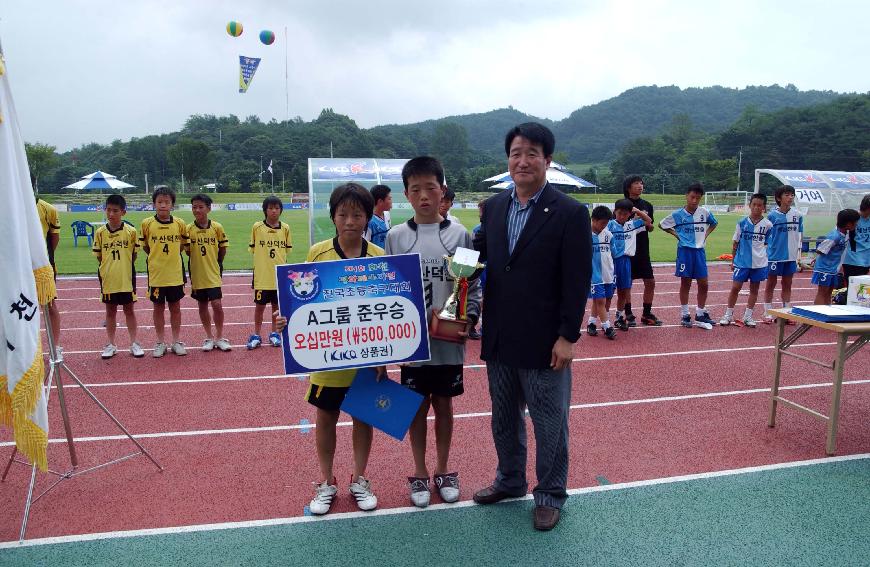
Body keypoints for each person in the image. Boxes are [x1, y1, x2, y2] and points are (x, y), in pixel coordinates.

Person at [472, 122, 591, 531]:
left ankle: (551, 494)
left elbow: (577, 282)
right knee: (503, 417)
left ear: (547, 160)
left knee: (549, 421)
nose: (522, 161)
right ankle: (510, 480)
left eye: (532, 153)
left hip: (545, 342)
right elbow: (480, 257)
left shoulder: (571, 213)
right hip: (501, 336)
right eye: (516, 153)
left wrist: (567, 337)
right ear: (508, 160)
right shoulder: (496, 207)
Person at [385, 157, 481, 508]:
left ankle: (443, 469)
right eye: (415, 189)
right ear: (406, 195)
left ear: (442, 190)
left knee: (444, 405)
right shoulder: (397, 237)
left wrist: (469, 316)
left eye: (430, 188)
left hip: (448, 340)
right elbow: (389, 290)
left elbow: (469, 284)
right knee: (415, 407)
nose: (424, 195)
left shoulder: (460, 234)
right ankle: (420, 472)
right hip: (412, 344)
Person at [303, 183, 385, 515]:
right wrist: (287, 323)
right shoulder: (318, 253)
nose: (350, 221)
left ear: (368, 218)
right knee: (326, 417)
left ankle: (360, 478)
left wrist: (385, 356)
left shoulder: (379, 256)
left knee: (364, 417)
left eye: (357, 214)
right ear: (333, 216)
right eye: (343, 214)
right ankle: (326, 481)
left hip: (366, 360)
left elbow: (385, 307)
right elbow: (303, 303)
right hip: (328, 358)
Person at [659, 182, 718, 330]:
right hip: (685, 252)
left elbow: (714, 223)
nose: (694, 201)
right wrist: (677, 235)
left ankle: (700, 313)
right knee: (686, 283)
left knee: (703, 283)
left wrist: (705, 235)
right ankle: (685, 314)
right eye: (692, 197)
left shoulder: (704, 212)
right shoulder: (678, 214)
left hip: (699, 252)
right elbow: (662, 225)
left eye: (697, 198)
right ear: (686, 196)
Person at [93, 194, 144, 359]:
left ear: (123, 212)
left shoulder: (131, 232)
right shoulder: (100, 233)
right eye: (108, 210)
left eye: (115, 211)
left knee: (129, 310)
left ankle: (134, 343)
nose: (111, 214)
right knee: (110, 311)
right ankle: (111, 344)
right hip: (108, 277)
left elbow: (134, 255)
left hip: (126, 277)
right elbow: (100, 256)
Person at [140, 186, 188, 357]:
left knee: (175, 308)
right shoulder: (147, 224)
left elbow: (182, 245)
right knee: (158, 308)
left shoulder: (180, 224)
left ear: (172, 205)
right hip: (156, 274)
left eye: (167, 202)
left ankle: (176, 341)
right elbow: (146, 246)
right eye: (159, 202)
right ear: (154, 204)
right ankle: (160, 342)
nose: (163, 205)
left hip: (175, 273)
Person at [719, 193, 773, 328]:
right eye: (754, 204)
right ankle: (728, 314)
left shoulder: (768, 225)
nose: (756, 207)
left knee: (754, 289)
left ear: (764, 208)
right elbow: (735, 242)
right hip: (742, 262)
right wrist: (733, 260)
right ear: (749, 205)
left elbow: (767, 245)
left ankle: (748, 316)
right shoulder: (742, 223)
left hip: (759, 263)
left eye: (759, 205)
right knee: (735, 288)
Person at [186, 194, 231, 352]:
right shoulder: (188, 229)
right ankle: (209, 337)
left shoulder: (217, 227)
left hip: (213, 271)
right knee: (202, 304)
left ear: (208, 208)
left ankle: (219, 337)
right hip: (197, 273)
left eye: (200, 207)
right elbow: (187, 251)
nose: (197, 210)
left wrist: (216, 263)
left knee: (217, 304)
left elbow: (223, 249)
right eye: (194, 207)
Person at [247, 196, 292, 350]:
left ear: (281, 210)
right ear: (265, 210)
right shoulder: (257, 227)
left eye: (277, 208)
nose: (274, 211)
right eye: (270, 208)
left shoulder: (285, 228)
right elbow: (253, 249)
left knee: (276, 307)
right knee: (259, 307)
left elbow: (286, 250)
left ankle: (274, 334)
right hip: (261, 275)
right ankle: (256, 334)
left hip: (279, 276)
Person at [621, 176, 662, 326]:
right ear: (628, 187)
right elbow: (618, 225)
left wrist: (648, 226)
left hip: (643, 249)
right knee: (627, 283)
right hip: (626, 250)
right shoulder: (622, 205)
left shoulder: (647, 205)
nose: (640, 186)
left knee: (650, 282)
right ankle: (628, 313)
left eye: (641, 183)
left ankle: (646, 313)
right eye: (636, 183)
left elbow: (650, 226)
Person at [607, 199, 652, 331]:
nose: (622, 216)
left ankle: (619, 317)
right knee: (609, 293)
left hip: (626, 262)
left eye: (625, 214)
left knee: (623, 291)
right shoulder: (609, 225)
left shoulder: (631, 225)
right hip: (612, 262)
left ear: (629, 214)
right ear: (615, 212)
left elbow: (648, 221)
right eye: (619, 213)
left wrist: (637, 210)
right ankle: (605, 320)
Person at [763, 185, 803, 323]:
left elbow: (800, 234)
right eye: (787, 195)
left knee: (787, 283)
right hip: (775, 256)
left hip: (791, 256)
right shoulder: (772, 216)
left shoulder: (798, 215)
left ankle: (786, 313)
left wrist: (799, 254)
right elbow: (767, 236)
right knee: (771, 283)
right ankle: (767, 312)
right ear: (779, 198)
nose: (790, 197)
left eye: (792, 195)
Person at [33, 173, 61, 347]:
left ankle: (55, 346)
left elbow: (54, 239)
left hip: (42, 266)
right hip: (14, 269)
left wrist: (42, 257)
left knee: (50, 306)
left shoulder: (47, 209)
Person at [812, 209, 860, 305]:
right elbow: (820, 250)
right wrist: (817, 260)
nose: (857, 225)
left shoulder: (845, 233)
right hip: (824, 269)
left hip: (833, 269)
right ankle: (817, 315)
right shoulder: (835, 236)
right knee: (822, 292)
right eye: (855, 223)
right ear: (848, 224)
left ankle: (827, 312)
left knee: (829, 292)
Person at [587, 206, 617, 340]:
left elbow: (614, 253)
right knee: (600, 300)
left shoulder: (609, 235)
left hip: (608, 273)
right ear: (593, 220)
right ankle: (607, 327)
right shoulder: (584, 235)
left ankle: (591, 323)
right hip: (594, 274)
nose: (604, 226)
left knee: (598, 301)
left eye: (606, 223)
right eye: (602, 223)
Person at [842, 194, 870, 287]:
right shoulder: (852, 217)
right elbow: (839, 233)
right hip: (853, 260)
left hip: (866, 260)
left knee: (862, 293)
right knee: (853, 292)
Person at [468, 199, 487, 340]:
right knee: (480, 299)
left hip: (492, 271)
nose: (480, 214)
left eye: (482, 211)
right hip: (480, 271)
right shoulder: (476, 230)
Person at [364, 184, 392, 248]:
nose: (391, 202)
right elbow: (365, 246)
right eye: (389, 199)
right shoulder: (368, 222)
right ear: (380, 201)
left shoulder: (387, 214)